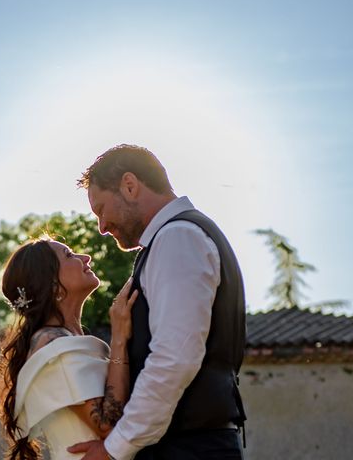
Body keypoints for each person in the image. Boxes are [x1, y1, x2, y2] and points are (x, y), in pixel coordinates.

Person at [69, 144, 247, 460]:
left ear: (130, 185)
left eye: (101, 210)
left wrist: (114, 448)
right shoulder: (178, 237)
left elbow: (174, 358)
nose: (102, 227)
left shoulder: (177, 237)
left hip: (187, 449)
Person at [0, 237, 138, 460]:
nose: (85, 258)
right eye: (69, 255)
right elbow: (107, 423)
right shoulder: (54, 349)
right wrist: (119, 336)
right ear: (52, 284)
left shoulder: (66, 341)